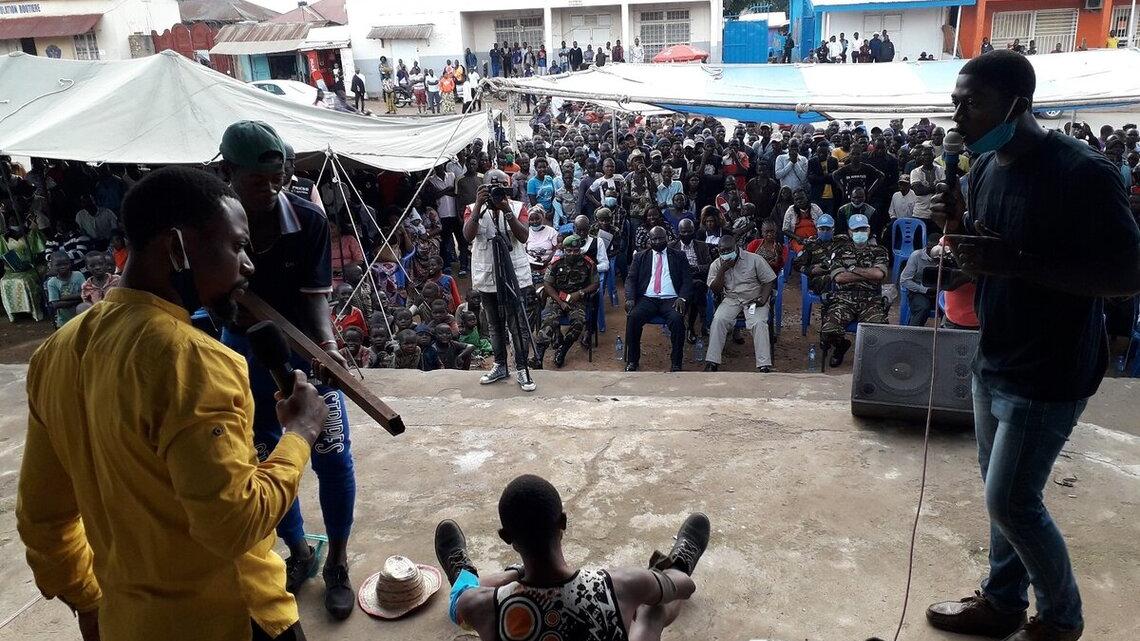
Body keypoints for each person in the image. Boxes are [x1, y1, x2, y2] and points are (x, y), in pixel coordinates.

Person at [17, 166, 328, 641]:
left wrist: (87, 598)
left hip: (128, 623)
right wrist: (300, 433)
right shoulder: (192, 362)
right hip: (232, 621)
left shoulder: (55, 353)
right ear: (177, 247)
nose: (248, 265)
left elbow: (42, 519)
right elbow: (235, 523)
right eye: (237, 246)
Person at [926, 50, 1140, 641]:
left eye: (973, 103)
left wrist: (1018, 264)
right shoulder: (983, 168)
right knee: (1001, 496)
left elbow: (1127, 275)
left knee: (1013, 502)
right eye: (955, 103)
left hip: (1051, 367)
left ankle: (1061, 620)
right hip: (995, 353)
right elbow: (988, 249)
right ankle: (1001, 603)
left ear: (1018, 105)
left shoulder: (1083, 173)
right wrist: (957, 232)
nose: (958, 116)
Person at [215, 122, 358, 620]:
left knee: (332, 454)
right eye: (258, 181)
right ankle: (299, 550)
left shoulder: (309, 221)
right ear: (228, 172)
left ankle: (337, 560)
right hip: (242, 357)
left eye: (278, 180)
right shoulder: (212, 227)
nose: (270, 190)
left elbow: (315, 299)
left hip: (305, 352)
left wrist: (327, 348)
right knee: (266, 457)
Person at [435, 475, 709, 641]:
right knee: (651, 610)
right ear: (563, 522)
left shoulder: (482, 604)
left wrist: (515, 574)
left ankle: (463, 569)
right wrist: (661, 579)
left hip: (490, 597)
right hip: (630, 591)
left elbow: (463, 598)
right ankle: (679, 562)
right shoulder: (620, 584)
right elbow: (686, 587)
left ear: (506, 537)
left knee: (463, 595)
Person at [463, 169, 537, 391]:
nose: (498, 191)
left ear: (509, 186)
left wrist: (506, 210)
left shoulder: (518, 207)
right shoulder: (471, 208)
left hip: (514, 275)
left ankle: (522, 368)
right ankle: (500, 365)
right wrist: (479, 205)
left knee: (518, 325)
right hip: (487, 275)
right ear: (483, 188)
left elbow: (523, 236)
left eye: (503, 186)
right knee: (494, 325)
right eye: (492, 187)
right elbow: (467, 235)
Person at [818, 213, 889, 367]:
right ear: (850, 232)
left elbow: (879, 274)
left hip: (870, 300)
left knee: (880, 330)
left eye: (863, 229)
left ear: (869, 230)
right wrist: (867, 274)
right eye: (856, 230)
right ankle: (841, 346)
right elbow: (839, 278)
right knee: (828, 330)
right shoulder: (839, 251)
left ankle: (871, 362)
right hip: (844, 299)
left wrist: (852, 269)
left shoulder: (879, 251)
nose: (860, 233)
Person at [704, 234, 778, 372]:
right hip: (731, 299)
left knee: (758, 323)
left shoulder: (754, 259)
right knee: (719, 320)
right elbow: (715, 289)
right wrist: (722, 270)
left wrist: (762, 299)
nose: (726, 253)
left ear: (736, 247)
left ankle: (764, 365)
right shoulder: (717, 264)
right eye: (722, 251)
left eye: (729, 250)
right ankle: (712, 362)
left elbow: (769, 281)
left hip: (753, 299)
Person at [623, 226, 693, 372]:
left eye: (660, 238)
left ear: (666, 238)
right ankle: (632, 361)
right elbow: (630, 280)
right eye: (654, 239)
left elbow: (687, 280)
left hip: (671, 299)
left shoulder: (679, 256)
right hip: (647, 299)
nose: (657, 241)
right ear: (649, 240)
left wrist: (682, 298)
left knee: (677, 320)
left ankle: (676, 363)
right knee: (633, 318)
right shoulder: (640, 257)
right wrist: (630, 298)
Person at [535, 235, 599, 368]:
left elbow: (595, 284)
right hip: (557, 299)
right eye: (569, 250)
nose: (572, 253)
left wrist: (581, 293)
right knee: (548, 322)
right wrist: (561, 302)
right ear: (564, 250)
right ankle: (538, 357)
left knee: (578, 323)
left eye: (576, 250)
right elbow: (547, 284)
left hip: (577, 300)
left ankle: (563, 350)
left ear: (580, 249)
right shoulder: (556, 263)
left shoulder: (588, 263)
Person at [0, 222, 45, 322]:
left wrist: (31, 263)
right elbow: (4, 256)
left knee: (25, 281)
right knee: (4, 281)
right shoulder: (4, 238)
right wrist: (12, 266)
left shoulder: (30, 235)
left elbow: (39, 252)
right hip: (13, 269)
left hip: (31, 266)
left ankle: (35, 310)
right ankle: (13, 313)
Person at [899, 239, 937, 326]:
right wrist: (924, 290)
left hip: (939, 291)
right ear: (927, 247)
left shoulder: (945, 257)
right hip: (918, 291)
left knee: (951, 307)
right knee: (923, 307)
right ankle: (913, 332)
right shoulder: (916, 256)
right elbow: (904, 280)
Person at [909, 144, 946, 233]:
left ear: (934, 156)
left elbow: (944, 189)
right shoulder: (915, 172)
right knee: (918, 240)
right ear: (921, 157)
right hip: (920, 213)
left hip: (938, 213)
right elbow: (918, 191)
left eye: (929, 155)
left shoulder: (940, 169)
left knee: (936, 239)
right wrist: (937, 187)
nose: (927, 157)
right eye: (925, 155)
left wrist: (927, 188)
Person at [46, 250, 86, 328]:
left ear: (70, 264)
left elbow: (85, 294)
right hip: (64, 321)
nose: (63, 267)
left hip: (81, 317)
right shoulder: (52, 282)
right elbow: (55, 304)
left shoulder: (78, 275)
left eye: (65, 264)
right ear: (51, 266)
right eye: (58, 265)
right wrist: (78, 299)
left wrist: (63, 298)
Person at [782, 188, 823, 253]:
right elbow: (785, 229)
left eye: (802, 198)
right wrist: (797, 237)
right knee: (803, 252)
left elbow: (823, 224)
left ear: (807, 197)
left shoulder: (815, 208)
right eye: (796, 199)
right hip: (798, 241)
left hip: (815, 238)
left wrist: (817, 236)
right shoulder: (790, 210)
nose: (799, 201)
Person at [808, 141, 839, 215]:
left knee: (830, 217)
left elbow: (834, 178)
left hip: (832, 196)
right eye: (819, 153)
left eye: (824, 153)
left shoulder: (833, 161)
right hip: (817, 195)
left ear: (828, 152)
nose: (821, 155)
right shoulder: (812, 161)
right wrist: (827, 177)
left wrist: (819, 178)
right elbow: (811, 179)